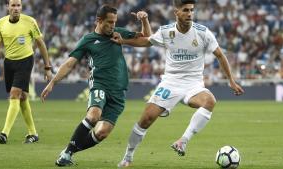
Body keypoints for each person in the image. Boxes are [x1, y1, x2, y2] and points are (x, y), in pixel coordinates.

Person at [111, 0, 244, 167]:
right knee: (145, 119)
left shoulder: (203, 33)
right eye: (186, 10)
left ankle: (183, 140)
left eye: (192, 10)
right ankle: (128, 156)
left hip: (194, 85)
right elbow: (145, 41)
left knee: (210, 101)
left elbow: (220, 55)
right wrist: (123, 41)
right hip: (170, 83)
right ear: (176, 12)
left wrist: (231, 80)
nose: (189, 14)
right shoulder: (166, 32)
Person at [40, 5, 151, 167]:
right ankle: (67, 153)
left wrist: (145, 20)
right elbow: (70, 63)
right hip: (100, 84)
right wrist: (52, 82)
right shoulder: (88, 40)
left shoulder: (118, 33)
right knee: (93, 115)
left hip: (119, 90)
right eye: (109, 22)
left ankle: (68, 150)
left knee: (101, 132)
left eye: (115, 22)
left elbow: (148, 41)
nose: (113, 25)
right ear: (99, 20)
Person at [0, 0, 52, 144]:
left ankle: (4, 133)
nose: (16, 8)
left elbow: (41, 43)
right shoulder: (1, 23)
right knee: (23, 97)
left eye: (18, 5)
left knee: (14, 94)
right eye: (13, 5)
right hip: (9, 62)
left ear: (21, 7)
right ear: (7, 7)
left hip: (25, 61)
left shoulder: (30, 22)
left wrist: (47, 67)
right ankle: (33, 133)